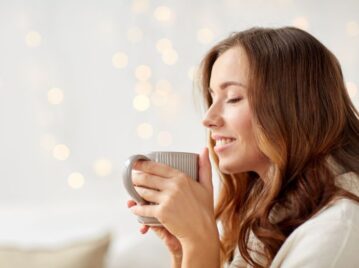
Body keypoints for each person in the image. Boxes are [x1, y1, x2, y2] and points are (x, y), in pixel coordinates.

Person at [127, 26, 359, 268]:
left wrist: (199, 241)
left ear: (294, 107)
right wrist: (184, 251)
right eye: (212, 97)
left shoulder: (337, 232)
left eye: (233, 98)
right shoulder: (264, 222)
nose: (208, 117)